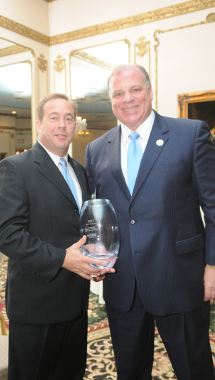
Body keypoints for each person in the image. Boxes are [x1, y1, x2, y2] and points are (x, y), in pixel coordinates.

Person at [85, 64, 215, 379]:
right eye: (118, 93)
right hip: (122, 284)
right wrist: (95, 256)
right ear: (111, 100)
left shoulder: (190, 134)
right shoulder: (96, 149)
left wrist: (212, 266)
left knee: (194, 369)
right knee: (130, 371)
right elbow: (97, 214)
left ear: (150, 91)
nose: (127, 99)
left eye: (135, 90)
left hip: (180, 279)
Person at [0, 93, 114, 380]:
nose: (62, 124)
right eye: (54, 117)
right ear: (39, 124)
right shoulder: (15, 168)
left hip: (76, 302)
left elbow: (82, 227)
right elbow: (5, 234)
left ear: (74, 125)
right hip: (36, 306)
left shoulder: (81, 172)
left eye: (68, 118)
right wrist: (62, 259)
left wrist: (93, 261)